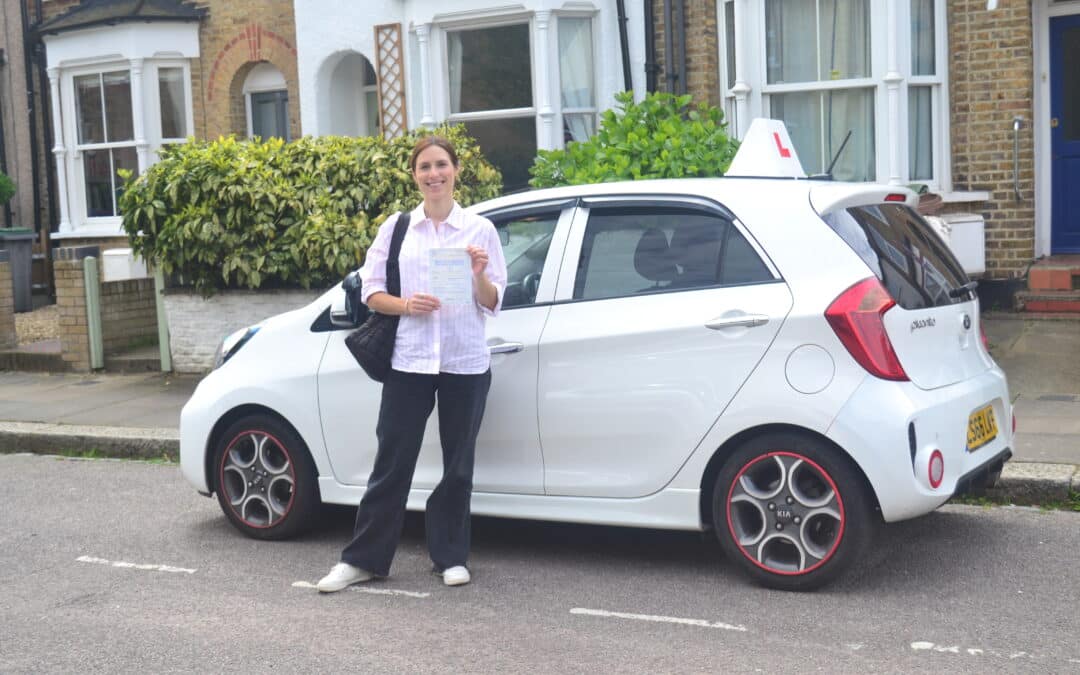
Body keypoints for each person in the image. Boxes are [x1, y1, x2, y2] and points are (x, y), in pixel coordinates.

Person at [317, 136, 507, 592]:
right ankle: (363, 560)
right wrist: (405, 305)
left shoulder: (480, 230)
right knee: (392, 461)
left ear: (456, 170)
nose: (434, 174)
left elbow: (494, 300)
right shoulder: (398, 228)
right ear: (415, 174)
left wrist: (478, 275)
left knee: (458, 465)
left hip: (464, 361)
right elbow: (370, 291)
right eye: (425, 166)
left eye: (441, 164)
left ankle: (450, 557)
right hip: (410, 361)